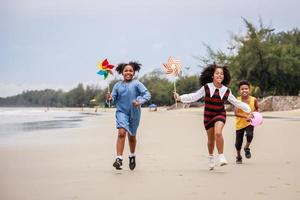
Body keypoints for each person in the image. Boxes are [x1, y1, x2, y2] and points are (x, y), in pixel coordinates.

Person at [174, 64, 251, 170]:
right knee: (211, 140)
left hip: (220, 114)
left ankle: (221, 156)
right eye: (217, 73)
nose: (220, 75)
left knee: (218, 133)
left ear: (224, 76)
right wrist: (180, 97)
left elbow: (236, 102)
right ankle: (211, 157)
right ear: (212, 76)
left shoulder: (226, 91)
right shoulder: (206, 87)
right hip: (208, 115)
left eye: (221, 74)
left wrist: (249, 110)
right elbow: (194, 96)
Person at [107, 61, 151, 170]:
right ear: (122, 72)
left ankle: (132, 156)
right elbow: (112, 100)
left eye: (131, 71)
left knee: (132, 136)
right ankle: (119, 159)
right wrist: (109, 98)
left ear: (134, 72)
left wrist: (139, 101)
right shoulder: (117, 85)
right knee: (121, 133)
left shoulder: (137, 83)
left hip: (135, 113)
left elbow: (147, 94)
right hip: (121, 112)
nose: (128, 72)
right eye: (126, 70)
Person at [234, 80, 259, 164]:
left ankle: (246, 148)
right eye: (242, 89)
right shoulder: (237, 100)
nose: (244, 90)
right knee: (238, 143)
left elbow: (256, 109)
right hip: (239, 124)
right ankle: (238, 156)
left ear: (249, 90)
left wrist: (256, 116)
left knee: (250, 135)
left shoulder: (254, 99)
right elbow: (236, 113)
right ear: (239, 91)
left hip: (250, 122)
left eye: (246, 89)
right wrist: (246, 116)